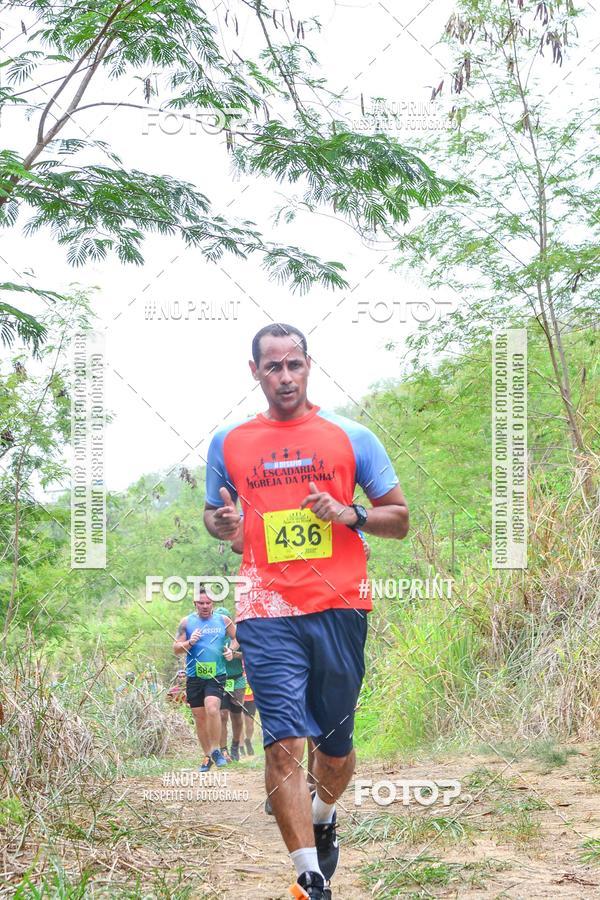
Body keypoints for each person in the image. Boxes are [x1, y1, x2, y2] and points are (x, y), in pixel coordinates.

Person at [203, 323, 409, 899]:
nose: (285, 376)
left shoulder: (352, 438)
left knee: (335, 751)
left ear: (309, 365)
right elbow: (216, 518)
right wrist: (221, 525)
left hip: (340, 606)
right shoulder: (229, 443)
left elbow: (399, 517)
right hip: (265, 608)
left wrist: (351, 515)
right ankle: (307, 875)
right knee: (283, 741)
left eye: (293, 365)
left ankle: (323, 816)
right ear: (255, 373)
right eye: (273, 367)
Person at [173, 587, 237, 772]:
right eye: (201, 603)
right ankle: (207, 754)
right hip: (194, 676)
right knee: (199, 717)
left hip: (216, 675)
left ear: (213, 604)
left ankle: (217, 749)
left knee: (212, 708)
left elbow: (237, 637)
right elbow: (176, 648)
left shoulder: (223, 620)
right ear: (195, 604)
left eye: (208, 603)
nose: (205, 606)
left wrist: (231, 650)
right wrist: (190, 642)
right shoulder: (187, 622)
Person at [215, 605, 246, 761]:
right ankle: (223, 750)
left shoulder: (238, 637)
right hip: (220, 680)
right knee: (222, 715)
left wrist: (233, 654)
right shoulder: (214, 637)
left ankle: (235, 745)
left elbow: (246, 655)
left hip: (238, 679)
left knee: (236, 715)